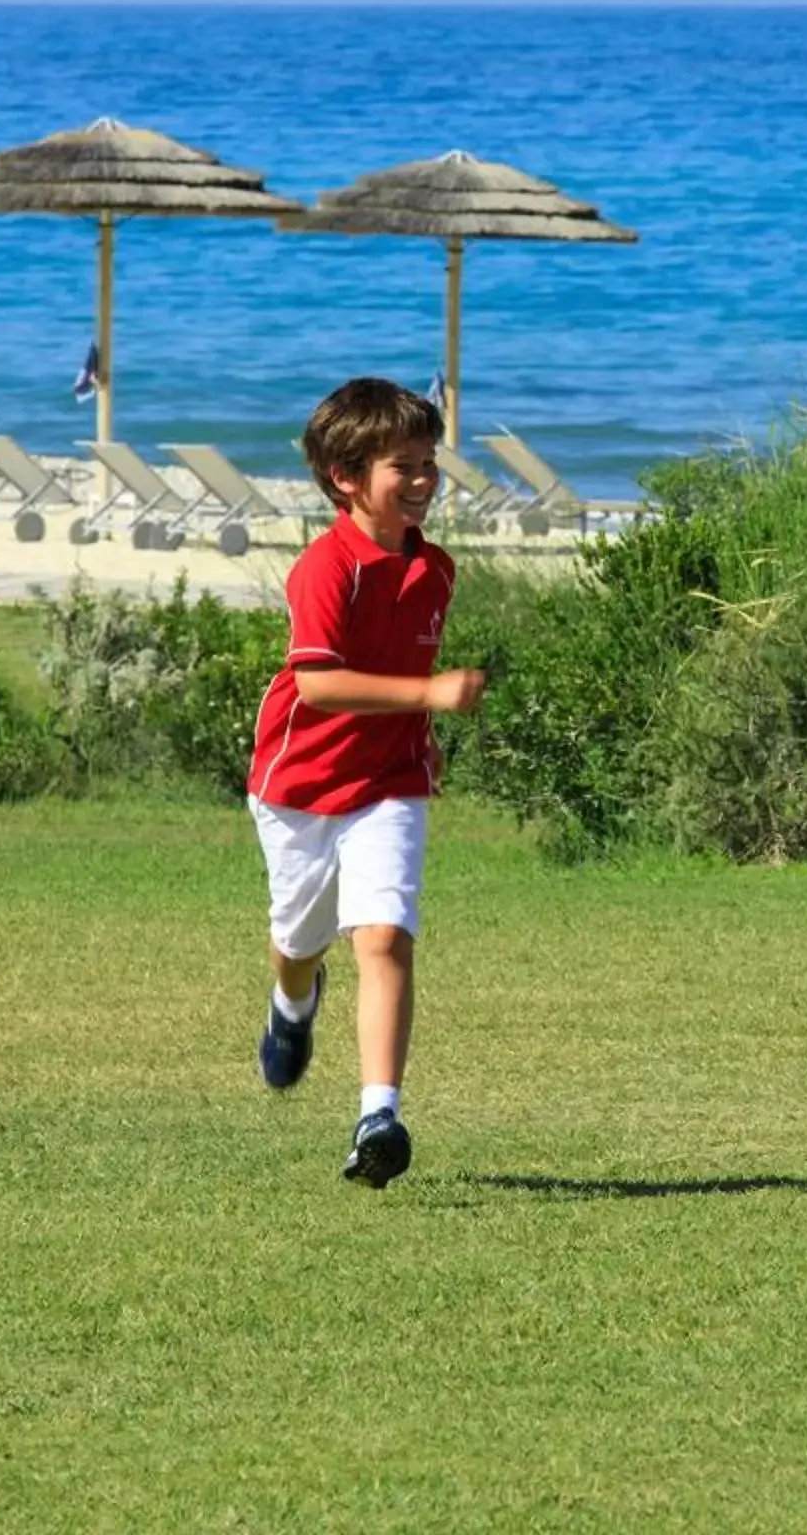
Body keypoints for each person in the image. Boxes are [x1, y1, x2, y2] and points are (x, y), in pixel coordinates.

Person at [247, 377, 488, 1187]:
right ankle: (291, 1004)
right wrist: (429, 696)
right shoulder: (326, 568)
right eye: (403, 467)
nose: (423, 482)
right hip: (300, 786)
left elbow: (404, 667)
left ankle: (377, 1115)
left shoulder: (438, 571)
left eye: (430, 464)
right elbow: (318, 685)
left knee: (383, 936)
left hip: (391, 779)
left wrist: (422, 739)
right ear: (346, 477)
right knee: (300, 943)